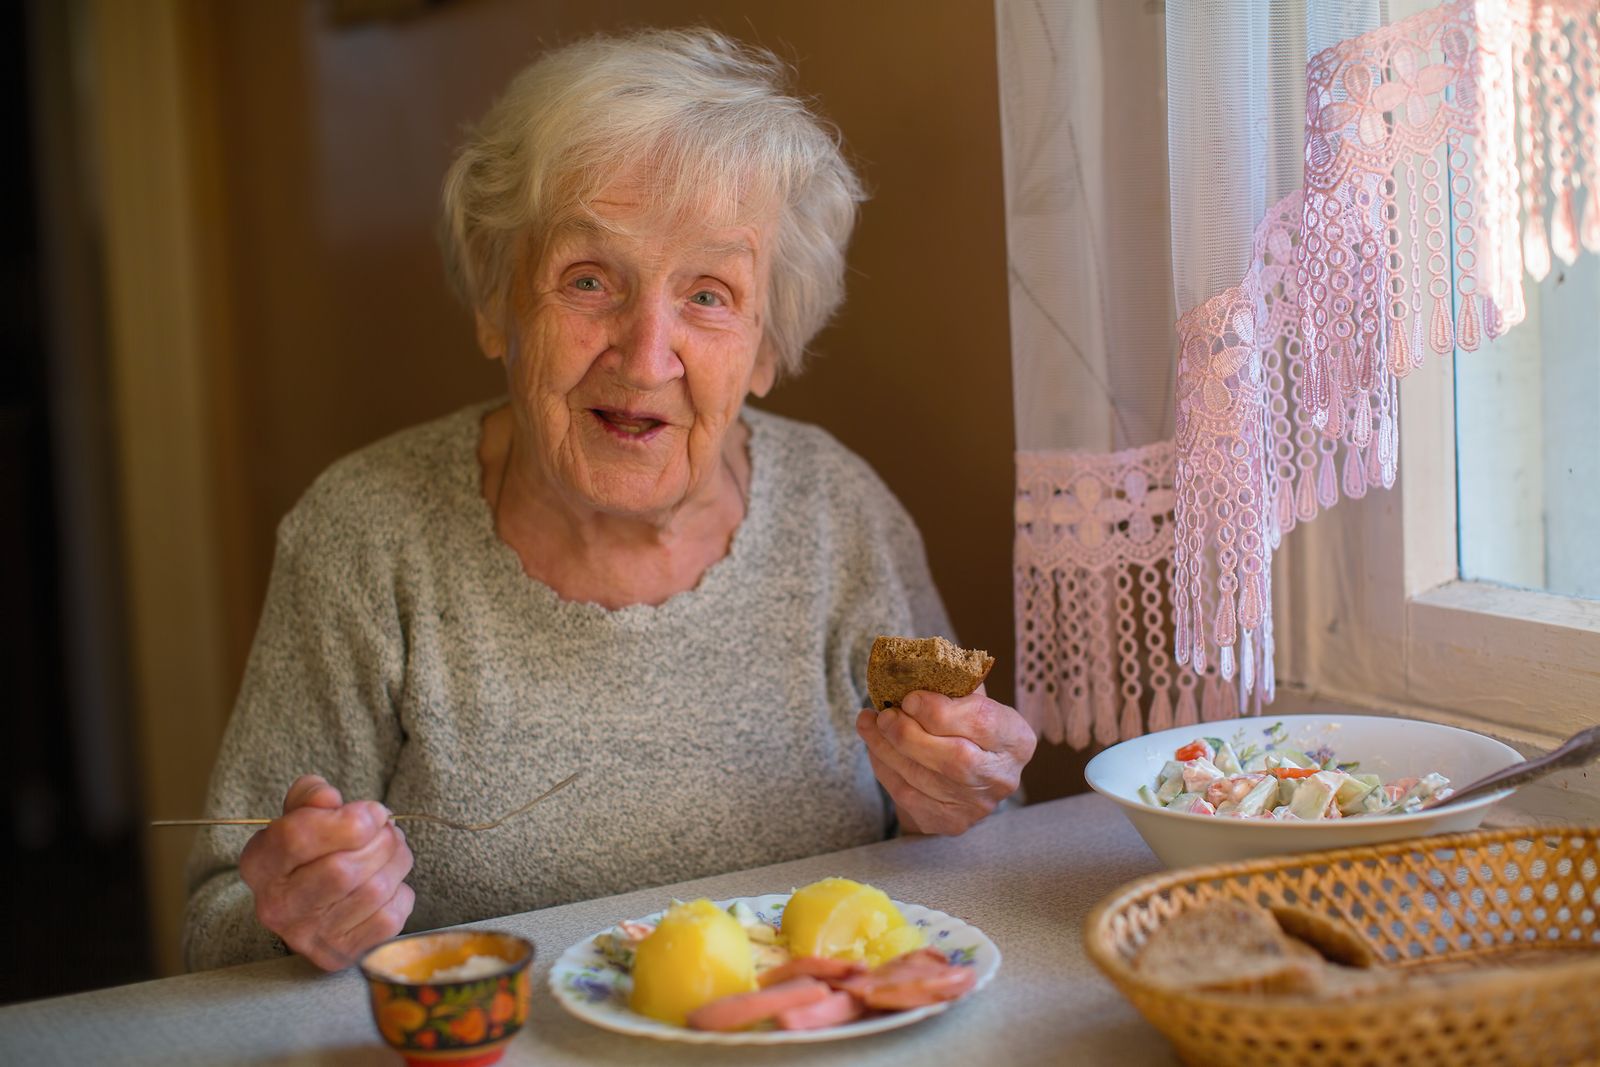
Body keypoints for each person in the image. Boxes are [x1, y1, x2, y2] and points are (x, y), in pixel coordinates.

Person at [184, 27, 1036, 973]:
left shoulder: (841, 514)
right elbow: (216, 929)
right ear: (495, 303)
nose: (642, 355)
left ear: (765, 348)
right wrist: (295, 916)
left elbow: (978, 860)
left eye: (709, 295)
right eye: (590, 280)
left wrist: (960, 804)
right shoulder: (364, 537)